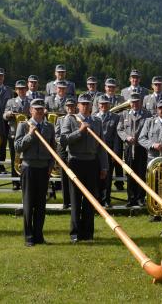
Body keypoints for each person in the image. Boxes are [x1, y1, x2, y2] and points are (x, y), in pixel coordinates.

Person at [59, 95, 107, 243]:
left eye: (88, 104)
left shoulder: (97, 121)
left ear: (91, 106)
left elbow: (101, 147)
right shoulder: (70, 119)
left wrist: (104, 166)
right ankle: (75, 234)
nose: (85, 106)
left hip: (92, 162)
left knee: (90, 200)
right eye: (82, 104)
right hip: (75, 162)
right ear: (77, 106)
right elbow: (63, 140)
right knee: (75, 199)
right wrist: (80, 131)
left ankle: (88, 234)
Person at [14, 98, 55, 246]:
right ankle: (29, 237)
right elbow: (18, 147)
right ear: (30, 110)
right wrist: (30, 135)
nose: (38, 111)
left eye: (40, 108)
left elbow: (53, 148)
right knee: (29, 203)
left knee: (40, 204)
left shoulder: (49, 127)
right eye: (35, 109)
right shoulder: (24, 126)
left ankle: (39, 236)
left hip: (43, 169)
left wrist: (51, 165)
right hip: (29, 168)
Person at [116, 93, 150, 208]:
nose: (135, 104)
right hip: (129, 148)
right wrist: (126, 137)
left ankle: (141, 198)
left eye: (137, 102)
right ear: (130, 103)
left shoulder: (147, 114)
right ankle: (131, 198)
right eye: (133, 102)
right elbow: (120, 129)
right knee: (130, 174)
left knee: (141, 173)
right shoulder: (124, 114)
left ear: (140, 103)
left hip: (142, 148)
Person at [93, 95, 122, 207]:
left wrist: (115, 152)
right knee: (96, 175)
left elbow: (116, 137)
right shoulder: (93, 117)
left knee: (107, 176)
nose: (103, 106)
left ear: (109, 105)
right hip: (95, 150)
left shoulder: (115, 117)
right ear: (98, 105)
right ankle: (97, 199)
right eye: (101, 104)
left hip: (108, 150)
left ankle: (106, 199)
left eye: (105, 104)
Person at [3, 80, 31, 190]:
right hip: (14, 133)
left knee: (26, 158)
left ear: (26, 89)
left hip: (27, 134)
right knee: (15, 158)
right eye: (19, 89)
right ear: (16, 90)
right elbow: (4, 116)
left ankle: (25, 180)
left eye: (23, 88)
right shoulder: (11, 102)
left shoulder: (31, 101)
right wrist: (8, 114)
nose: (21, 90)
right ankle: (15, 182)